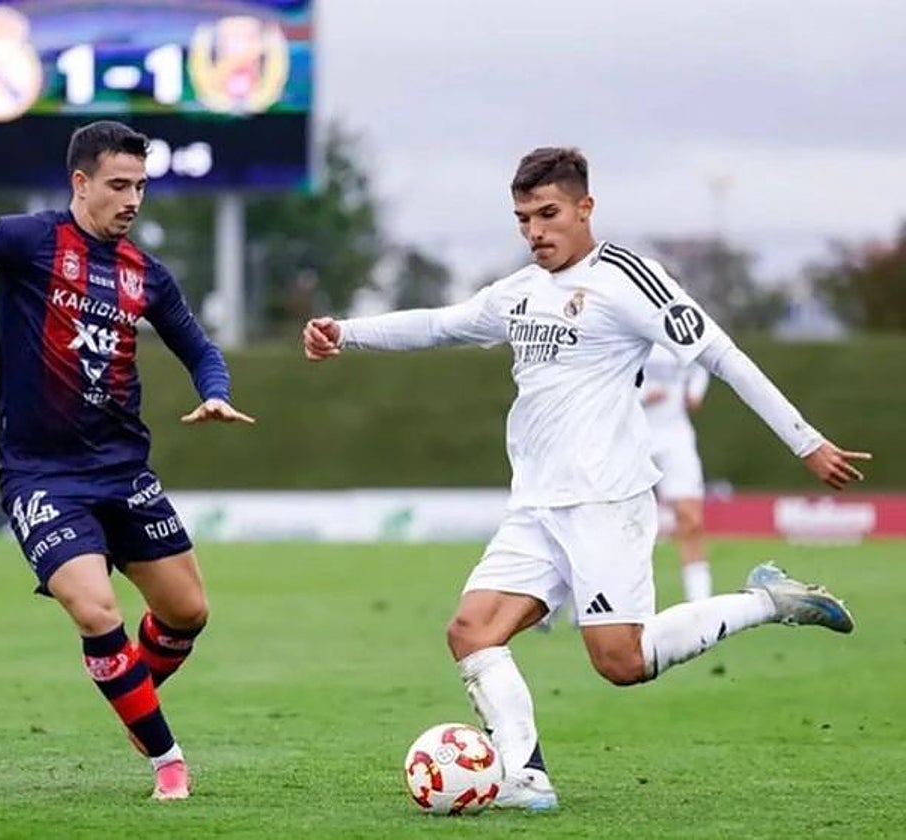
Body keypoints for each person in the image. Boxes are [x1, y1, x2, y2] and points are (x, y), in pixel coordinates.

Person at [301, 147, 870, 811]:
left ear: (585, 208)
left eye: (548, 214)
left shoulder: (627, 278)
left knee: (621, 663)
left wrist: (806, 441)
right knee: (471, 631)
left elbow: (721, 354)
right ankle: (525, 778)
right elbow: (441, 324)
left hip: (605, 500)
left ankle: (768, 601)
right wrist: (346, 332)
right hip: (536, 507)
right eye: (522, 219)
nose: (535, 231)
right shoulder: (518, 292)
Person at [0, 120, 254, 801]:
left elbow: (201, 350)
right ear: (81, 183)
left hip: (124, 472)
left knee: (188, 612)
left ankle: (134, 696)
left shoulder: (146, 275)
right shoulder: (30, 241)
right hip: (42, 476)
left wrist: (215, 393)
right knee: (95, 611)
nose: (132, 200)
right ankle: (167, 760)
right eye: (119, 186)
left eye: (141, 187)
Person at [641, 343, 713, 601]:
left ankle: (701, 605)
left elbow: (701, 367)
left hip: (676, 435)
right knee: (610, 520)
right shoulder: (625, 325)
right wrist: (641, 395)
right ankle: (580, 600)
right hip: (632, 434)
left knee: (691, 519)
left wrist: (695, 392)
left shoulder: (679, 334)